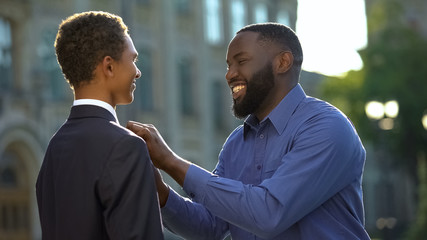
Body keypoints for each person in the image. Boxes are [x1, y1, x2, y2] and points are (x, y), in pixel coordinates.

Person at [127, 23, 370, 239]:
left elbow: (268, 214)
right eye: (228, 65)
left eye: (241, 61)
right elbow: (210, 227)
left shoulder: (326, 127)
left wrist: (171, 162)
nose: (230, 74)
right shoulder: (236, 142)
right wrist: (161, 193)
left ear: (282, 63)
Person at [36, 11, 163, 240]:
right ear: (109, 66)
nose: (138, 71)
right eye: (133, 60)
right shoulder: (127, 147)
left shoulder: (54, 147)